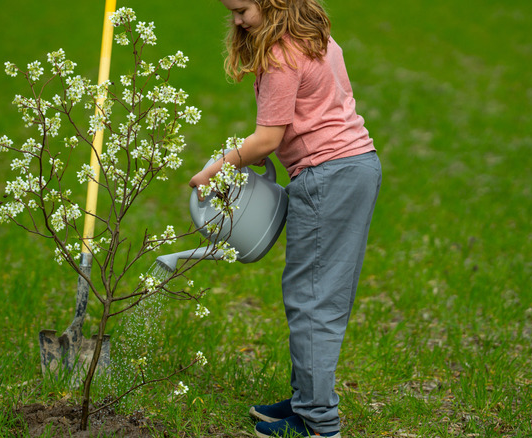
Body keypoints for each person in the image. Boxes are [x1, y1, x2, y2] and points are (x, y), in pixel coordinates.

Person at [189, 0, 382, 436]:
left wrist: (217, 166)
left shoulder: (280, 54)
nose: (235, 20)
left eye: (241, 9)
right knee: (317, 291)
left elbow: (266, 140)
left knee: (313, 298)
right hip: (356, 166)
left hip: (327, 174)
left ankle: (318, 422)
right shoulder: (318, 40)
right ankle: (305, 402)